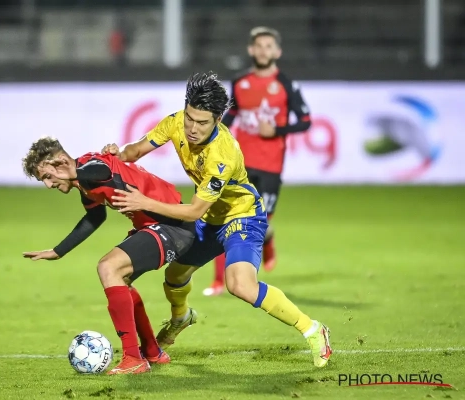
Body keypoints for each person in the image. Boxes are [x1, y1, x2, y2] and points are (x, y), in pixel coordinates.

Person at [102, 72, 332, 368]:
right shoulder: (175, 122)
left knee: (240, 285)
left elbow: (193, 211)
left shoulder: (222, 154)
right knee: (175, 276)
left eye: (202, 123)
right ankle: (181, 318)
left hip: (241, 217)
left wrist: (143, 202)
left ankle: (312, 329)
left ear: (218, 119)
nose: (192, 128)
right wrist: (117, 153)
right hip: (210, 218)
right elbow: (135, 150)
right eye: (190, 118)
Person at [21, 137, 195, 375]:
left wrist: (74, 174)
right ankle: (152, 351)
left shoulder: (91, 169)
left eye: (48, 176)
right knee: (120, 279)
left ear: (61, 162)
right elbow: (95, 217)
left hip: (173, 226)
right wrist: (58, 251)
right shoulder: (84, 180)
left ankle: (133, 359)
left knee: (108, 267)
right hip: (157, 226)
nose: (48, 185)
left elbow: (100, 170)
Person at [205, 27, 313, 296]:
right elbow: (232, 115)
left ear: (277, 52)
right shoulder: (240, 82)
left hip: (271, 165)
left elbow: (305, 121)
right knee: (224, 216)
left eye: (268, 46)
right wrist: (214, 136)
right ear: (251, 50)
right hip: (240, 163)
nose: (263, 51)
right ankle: (219, 281)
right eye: (259, 46)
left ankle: (268, 241)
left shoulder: (286, 84)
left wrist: (276, 130)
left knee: (259, 224)